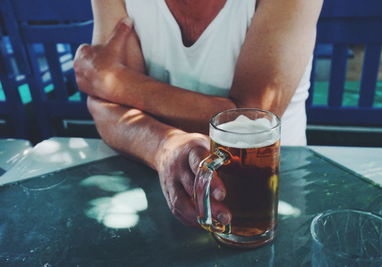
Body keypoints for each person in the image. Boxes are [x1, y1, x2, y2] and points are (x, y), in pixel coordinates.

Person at [73, 0, 323, 227]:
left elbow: (250, 121)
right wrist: (165, 147)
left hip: (271, 192)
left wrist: (117, 83)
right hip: (145, 182)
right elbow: (105, 108)